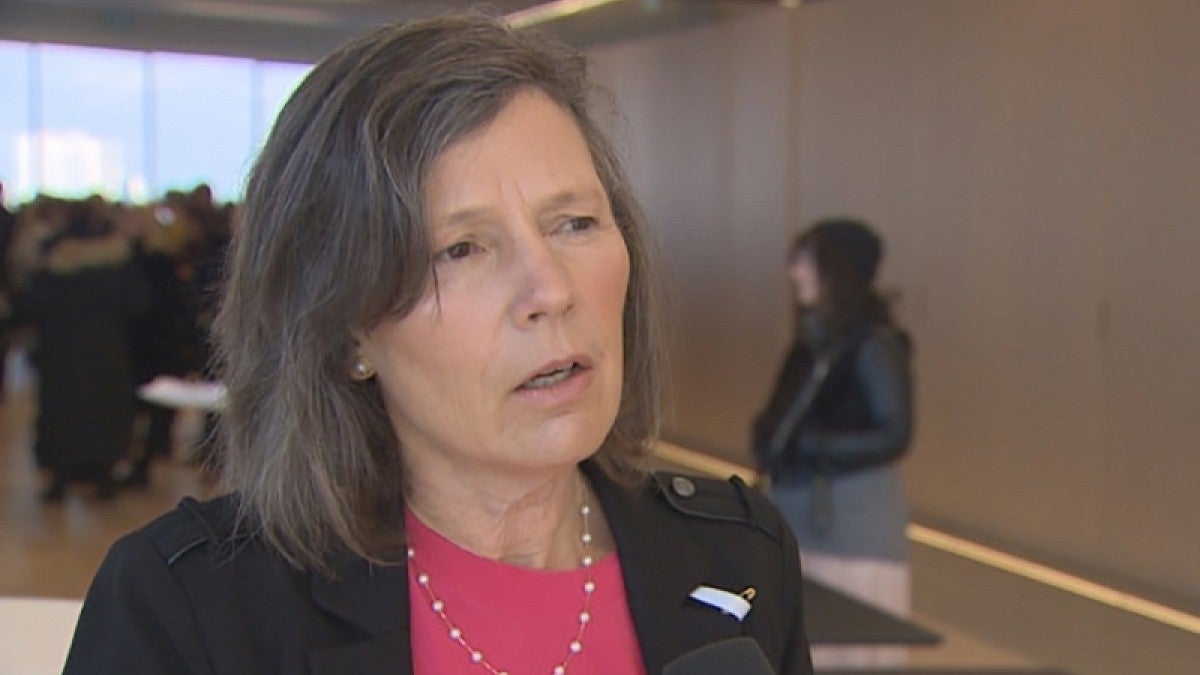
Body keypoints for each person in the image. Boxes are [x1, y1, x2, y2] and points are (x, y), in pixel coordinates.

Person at [65, 14, 813, 674]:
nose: (549, 289)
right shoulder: (192, 608)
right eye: (460, 248)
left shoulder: (741, 558)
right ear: (346, 325)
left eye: (574, 222)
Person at [752, 218, 914, 667]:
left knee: (851, 649)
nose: (794, 272)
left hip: (850, 524)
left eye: (805, 260)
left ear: (835, 268)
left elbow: (894, 433)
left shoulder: (874, 345)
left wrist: (810, 447)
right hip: (800, 513)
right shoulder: (814, 342)